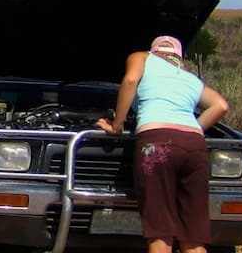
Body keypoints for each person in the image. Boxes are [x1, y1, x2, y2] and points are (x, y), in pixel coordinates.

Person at [95, 35, 230, 253]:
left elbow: (130, 81)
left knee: (161, 233)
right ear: (179, 57)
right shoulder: (189, 78)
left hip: (157, 142)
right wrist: (191, 128)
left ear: (154, 50)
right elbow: (221, 106)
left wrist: (117, 125)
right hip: (194, 145)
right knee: (194, 237)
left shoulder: (142, 57)